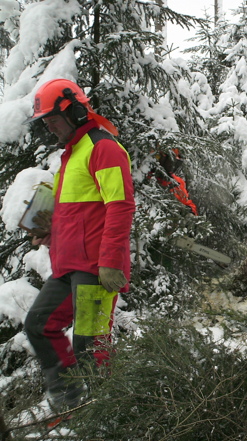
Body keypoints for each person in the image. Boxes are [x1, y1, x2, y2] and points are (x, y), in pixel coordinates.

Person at [22, 78, 135, 409]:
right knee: (39, 326)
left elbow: (120, 206)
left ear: (74, 111)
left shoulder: (104, 147)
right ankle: (68, 399)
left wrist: (111, 261)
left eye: (53, 120)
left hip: (96, 268)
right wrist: (49, 232)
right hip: (68, 265)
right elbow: (78, 214)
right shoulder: (71, 156)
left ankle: (108, 411)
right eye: (47, 123)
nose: (51, 128)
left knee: (91, 343)